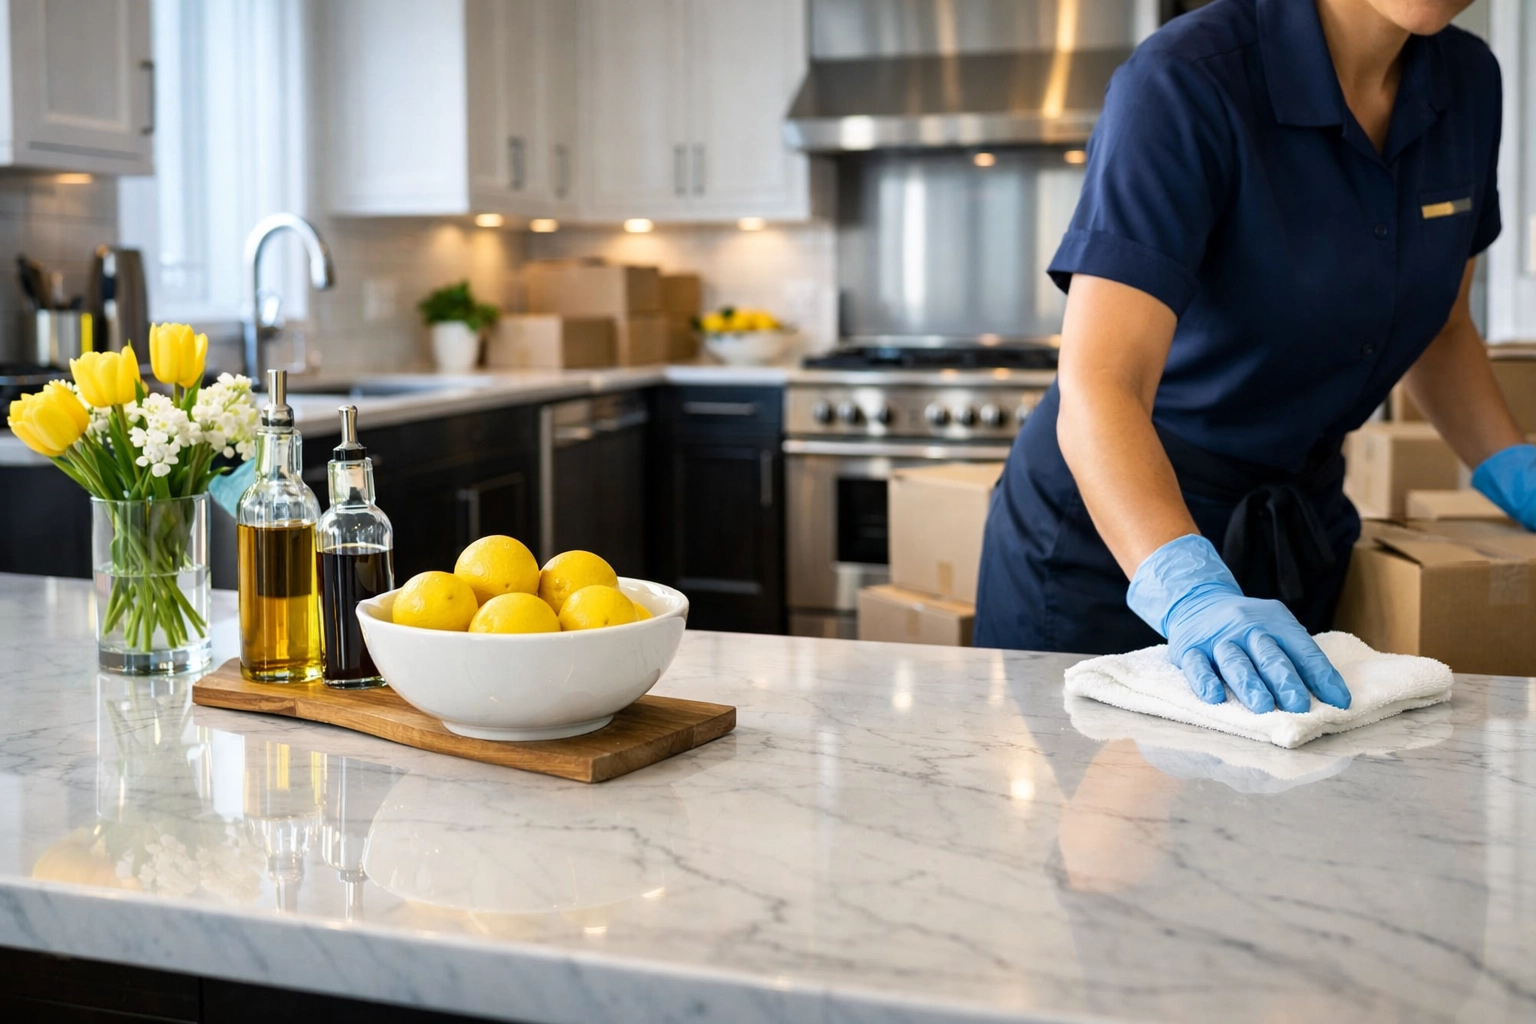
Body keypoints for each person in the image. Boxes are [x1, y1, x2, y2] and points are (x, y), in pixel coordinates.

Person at [975, 0, 1529, 714]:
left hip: (1296, 536)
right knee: (1111, 822)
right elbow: (1100, 384)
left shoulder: (1470, 82)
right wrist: (1189, 590)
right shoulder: (1184, 82)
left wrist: (1519, 473)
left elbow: (1445, 330)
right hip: (1120, 551)